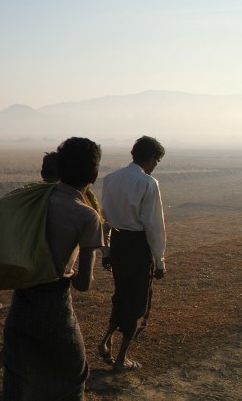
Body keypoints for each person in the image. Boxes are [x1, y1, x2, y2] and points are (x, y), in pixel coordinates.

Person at [2, 138, 104, 400]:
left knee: (18, 380)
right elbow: (84, 283)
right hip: (55, 307)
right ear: (94, 175)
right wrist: (68, 269)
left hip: (20, 302)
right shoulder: (86, 215)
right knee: (73, 375)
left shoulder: (33, 200)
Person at [0, 152, 60, 397]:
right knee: (33, 330)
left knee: (25, 328)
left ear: (42, 172)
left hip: (25, 269)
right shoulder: (59, 199)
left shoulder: (28, 195)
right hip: (44, 273)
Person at [97, 136, 166, 373]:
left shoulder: (110, 179)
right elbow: (154, 226)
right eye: (156, 160)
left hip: (117, 244)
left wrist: (105, 250)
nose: (155, 165)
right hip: (138, 246)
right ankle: (121, 359)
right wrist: (159, 260)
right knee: (138, 301)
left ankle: (106, 342)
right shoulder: (148, 183)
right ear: (150, 159)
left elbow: (104, 218)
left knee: (122, 294)